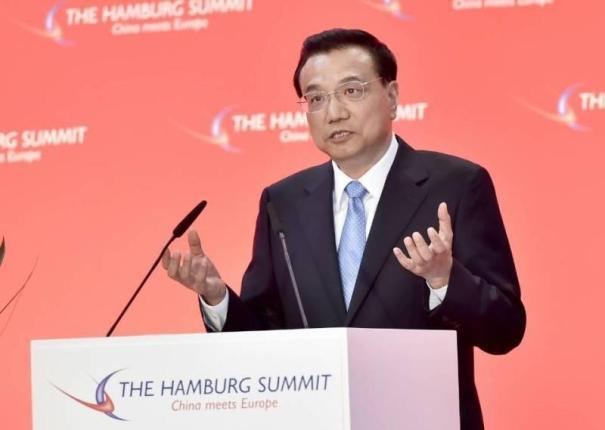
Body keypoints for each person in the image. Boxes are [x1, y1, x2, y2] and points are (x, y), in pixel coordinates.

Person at [162, 28, 526, 430]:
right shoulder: (282, 202)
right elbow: (265, 339)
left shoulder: (456, 185)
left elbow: (506, 329)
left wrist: (445, 280)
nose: (333, 112)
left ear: (392, 97)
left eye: (351, 91)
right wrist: (217, 298)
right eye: (316, 98)